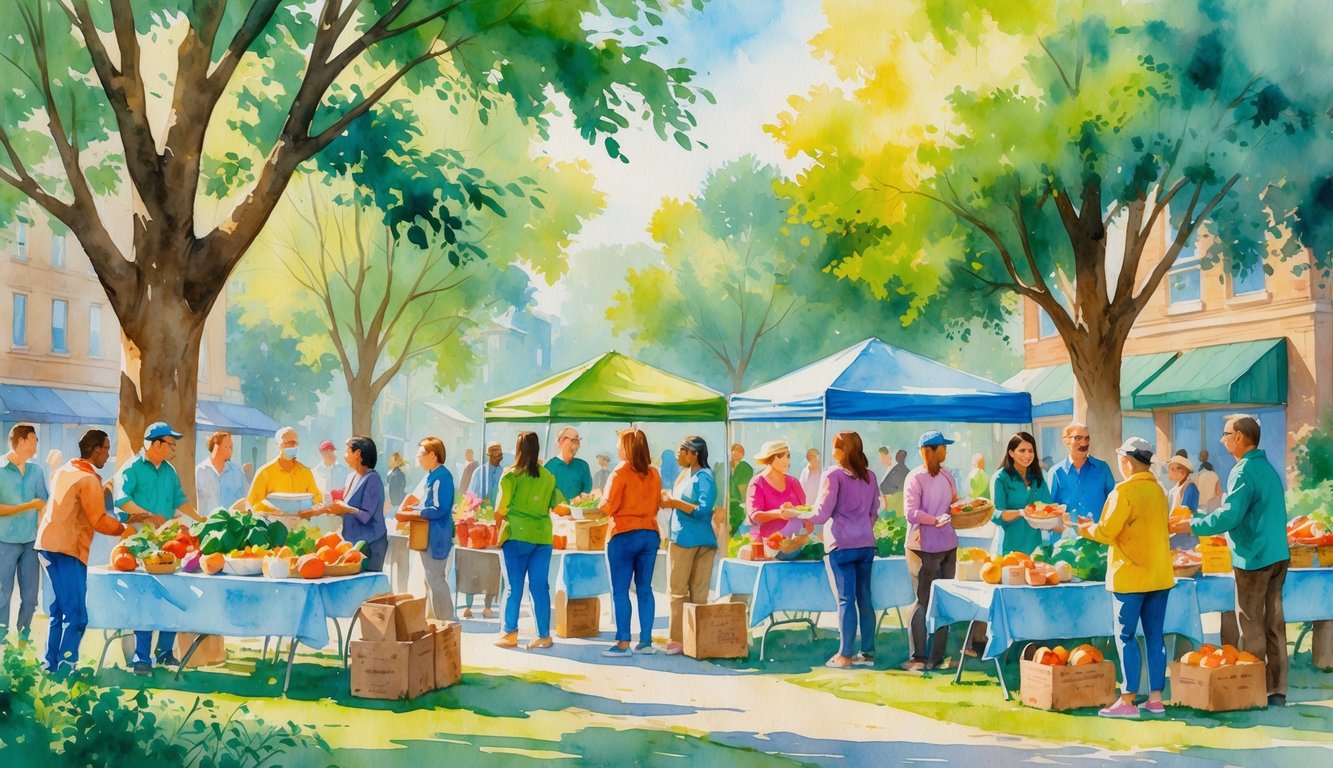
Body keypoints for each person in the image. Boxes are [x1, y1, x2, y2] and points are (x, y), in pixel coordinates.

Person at [1170, 415, 1290, 707]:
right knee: (1274, 624)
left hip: (1253, 558)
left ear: (1238, 437)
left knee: (1251, 624)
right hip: (1277, 555)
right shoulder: (1266, 468)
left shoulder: (1243, 470)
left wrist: (1192, 525)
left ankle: (1252, 690)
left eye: (1225, 434)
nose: (1222, 439)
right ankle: (1277, 690)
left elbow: (1230, 515)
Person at [1078, 437, 1174, 718]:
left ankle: (1128, 699)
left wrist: (1085, 528)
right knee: (1155, 637)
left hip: (1129, 576)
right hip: (1159, 575)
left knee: (1126, 636)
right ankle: (1156, 698)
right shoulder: (1159, 490)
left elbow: (1106, 532)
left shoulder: (1123, 491)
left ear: (1127, 463)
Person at [115, 422, 204, 674]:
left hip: (166, 542)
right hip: (139, 541)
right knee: (144, 598)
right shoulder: (132, 468)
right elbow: (122, 500)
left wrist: (200, 520)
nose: (173, 450)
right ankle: (141, 657)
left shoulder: (169, 471)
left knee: (171, 594)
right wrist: (148, 515)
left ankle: (165, 652)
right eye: (170, 444)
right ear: (156, 444)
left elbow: (180, 500)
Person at [35, 430, 128, 673]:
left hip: (46, 546)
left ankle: (49, 664)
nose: (108, 455)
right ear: (96, 449)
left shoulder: (64, 471)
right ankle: (66, 667)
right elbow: (98, 520)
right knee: (77, 615)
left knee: (58, 609)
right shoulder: (88, 479)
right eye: (106, 449)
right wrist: (124, 529)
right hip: (68, 550)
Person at [810, 431, 880, 669]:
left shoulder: (833, 475)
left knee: (846, 600)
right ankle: (867, 653)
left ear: (841, 451)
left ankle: (845, 655)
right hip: (866, 544)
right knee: (865, 599)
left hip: (841, 545)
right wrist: (862, 528)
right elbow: (874, 512)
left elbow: (820, 515)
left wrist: (794, 513)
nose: (832, 452)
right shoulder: (870, 476)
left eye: (834, 447)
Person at [494, 432, 567, 650]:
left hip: (516, 535)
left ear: (518, 449)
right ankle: (543, 635)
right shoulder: (548, 477)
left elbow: (500, 510)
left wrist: (497, 526)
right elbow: (558, 506)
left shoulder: (510, 476)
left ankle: (510, 632)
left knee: (514, 587)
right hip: (542, 537)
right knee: (540, 587)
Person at [599, 428, 662, 657]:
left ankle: (623, 642)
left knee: (620, 590)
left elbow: (608, 507)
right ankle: (646, 642)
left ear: (626, 447)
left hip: (623, 534)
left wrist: (597, 501)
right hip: (650, 533)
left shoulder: (620, 472)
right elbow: (656, 504)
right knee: (645, 589)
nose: (617, 447)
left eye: (619, 443)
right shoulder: (654, 473)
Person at [901, 430, 959, 672]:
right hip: (922, 547)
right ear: (931, 451)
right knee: (923, 600)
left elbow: (955, 503)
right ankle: (919, 656)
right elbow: (910, 513)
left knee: (941, 600)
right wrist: (935, 520)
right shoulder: (916, 477)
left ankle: (935, 657)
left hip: (947, 546)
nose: (946, 450)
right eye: (943, 447)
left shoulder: (947, 475)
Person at [659, 436, 717, 656]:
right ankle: (680, 639)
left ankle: (692, 640)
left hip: (691, 540)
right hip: (683, 537)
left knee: (690, 592)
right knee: (680, 591)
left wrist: (674, 503)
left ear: (694, 454)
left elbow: (704, 509)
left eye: (681, 451)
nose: (678, 455)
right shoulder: (685, 474)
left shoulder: (704, 477)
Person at [307, 437, 388, 571]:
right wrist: (326, 509)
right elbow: (345, 508)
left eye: (347, 451)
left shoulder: (372, 479)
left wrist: (345, 508)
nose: (344, 456)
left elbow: (365, 515)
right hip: (352, 542)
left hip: (370, 543)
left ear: (357, 454)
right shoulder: (351, 477)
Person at [397, 438, 456, 621]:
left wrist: (411, 514)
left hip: (437, 536)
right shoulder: (431, 476)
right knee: (430, 579)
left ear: (433, 455)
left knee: (435, 579)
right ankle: (435, 620)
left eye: (421, 454)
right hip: (428, 535)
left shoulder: (442, 477)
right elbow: (427, 504)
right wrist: (414, 509)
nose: (418, 459)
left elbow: (439, 509)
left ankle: (447, 621)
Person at [1, 425, 49, 638]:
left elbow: (44, 505)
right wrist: (28, 506)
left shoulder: (36, 472)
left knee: (30, 598)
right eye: (34, 438)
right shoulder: (0, 469)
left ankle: (23, 639)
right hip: (4, 541)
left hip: (30, 542)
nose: (37, 442)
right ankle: (1, 640)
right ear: (22, 441)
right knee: (2, 595)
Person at [991, 431, 1056, 555]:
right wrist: (1021, 512)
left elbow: (1049, 508)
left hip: (1035, 548)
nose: (1027, 455)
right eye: (1022, 450)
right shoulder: (1000, 478)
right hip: (1009, 547)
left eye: (1031, 451)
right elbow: (996, 514)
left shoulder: (1037, 478)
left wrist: (1059, 519)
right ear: (1011, 453)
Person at [247, 426, 323, 525]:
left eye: (295, 443)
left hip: (301, 526)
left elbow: (317, 497)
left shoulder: (305, 472)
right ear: (279, 445)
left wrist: (311, 508)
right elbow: (254, 501)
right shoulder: (265, 472)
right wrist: (276, 510)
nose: (294, 446)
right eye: (290, 443)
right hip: (273, 526)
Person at [1049, 423, 1117, 526]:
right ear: (1066, 441)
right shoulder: (1056, 473)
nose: (1084, 443)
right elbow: (1050, 511)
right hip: (1067, 535)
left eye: (1087, 438)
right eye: (1078, 438)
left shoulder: (1102, 468)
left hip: (1097, 533)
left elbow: (1114, 503)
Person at [745, 441, 809, 539]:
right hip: (769, 544)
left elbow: (805, 512)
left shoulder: (794, 482)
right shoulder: (757, 483)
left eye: (788, 456)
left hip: (797, 543)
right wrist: (779, 514)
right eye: (780, 456)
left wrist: (804, 536)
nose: (786, 460)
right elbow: (755, 515)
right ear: (769, 458)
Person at [194, 431, 247, 514]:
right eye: (226, 447)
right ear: (216, 446)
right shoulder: (199, 471)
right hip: (206, 521)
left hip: (231, 521)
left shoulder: (237, 472)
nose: (230, 451)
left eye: (231, 447)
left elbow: (247, 498)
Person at [545, 427, 593, 502]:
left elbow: (586, 492)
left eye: (578, 442)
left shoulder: (583, 466)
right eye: (573, 440)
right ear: (561, 442)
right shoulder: (549, 467)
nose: (576, 446)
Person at [727, 443, 753, 536]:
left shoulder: (746, 467)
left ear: (743, 455)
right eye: (734, 450)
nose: (736, 453)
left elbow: (743, 486)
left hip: (739, 503)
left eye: (740, 451)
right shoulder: (725, 466)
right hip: (726, 502)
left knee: (737, 529)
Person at [880, 449, 909, 514]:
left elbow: (883, 486)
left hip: (897, 501)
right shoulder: (907, 471)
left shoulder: (896, 469)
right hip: (901, 502)